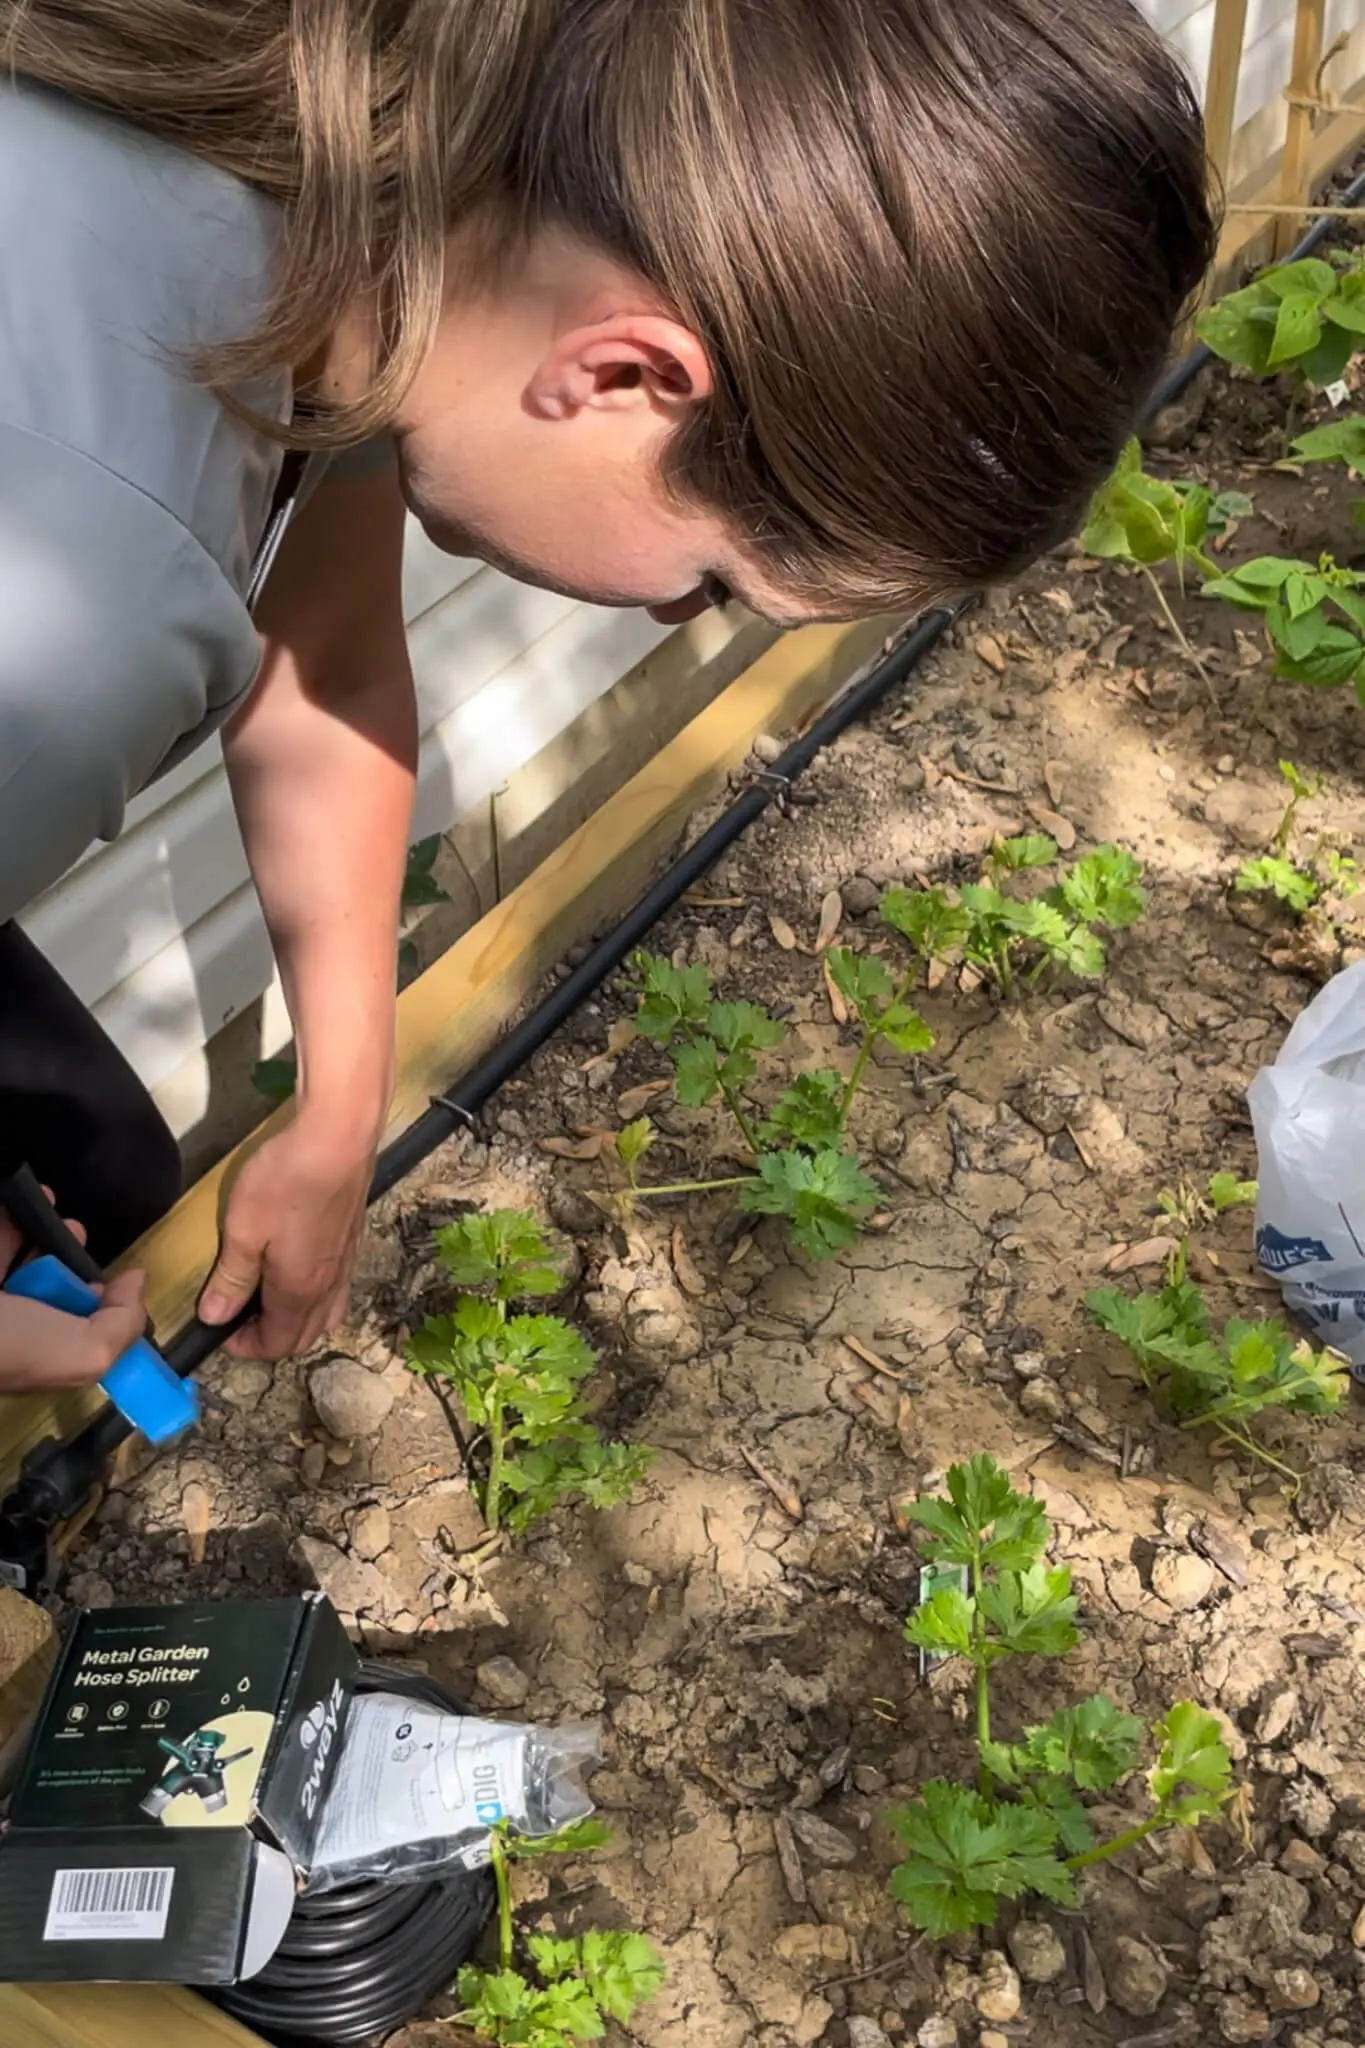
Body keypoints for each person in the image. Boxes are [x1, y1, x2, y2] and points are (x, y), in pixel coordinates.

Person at [0, 0, 1216, 1391]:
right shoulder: (77, 605)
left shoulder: (424, 176)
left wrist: (340, 1113)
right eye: (709, 580)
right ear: (626, 371)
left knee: (97, 1160)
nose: (659, 612)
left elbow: (320, 655)